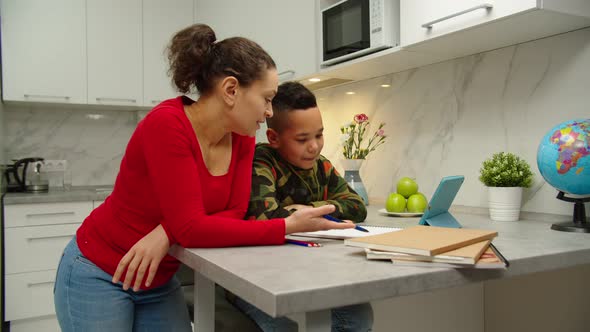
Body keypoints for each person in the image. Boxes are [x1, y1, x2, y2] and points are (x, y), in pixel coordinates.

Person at [53, 24, 354, 332]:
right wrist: (284, 227)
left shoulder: (242, 137)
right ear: (231, 90)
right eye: (266, 99)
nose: (268, 112)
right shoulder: (167, 125)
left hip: (157, 277)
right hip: (101, 270)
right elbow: (193, 227)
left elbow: (234, 212)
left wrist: (166, 232)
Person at [232, 81, 373, 331]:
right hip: (260, 276)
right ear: (274, 138)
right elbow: (265, 218)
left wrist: (307, 209)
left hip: (311, 270)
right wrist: (318, 212)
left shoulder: (321, 165)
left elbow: (357, 205)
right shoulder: (261, 161)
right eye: (302, 139)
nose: (314, 146)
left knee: (358, 317)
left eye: (319, 135)